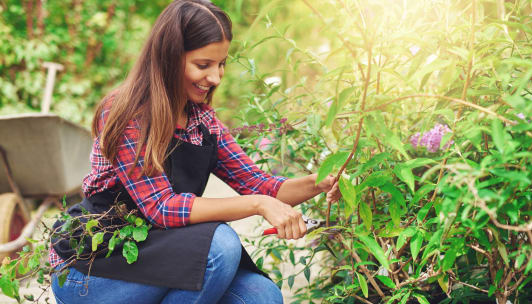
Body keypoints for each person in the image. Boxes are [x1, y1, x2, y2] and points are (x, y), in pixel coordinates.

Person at [49, 1, 340, 303]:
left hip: (160, 254)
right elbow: (161, 207)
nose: (216, 78)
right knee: (218, 247)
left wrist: (317, 183)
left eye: (221, 64)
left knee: (260, 296)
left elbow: (261, 185)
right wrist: (257, 205)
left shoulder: (202, 121)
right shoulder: (125, 112)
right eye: (204, 65)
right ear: (169, 58)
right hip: (94, 268)